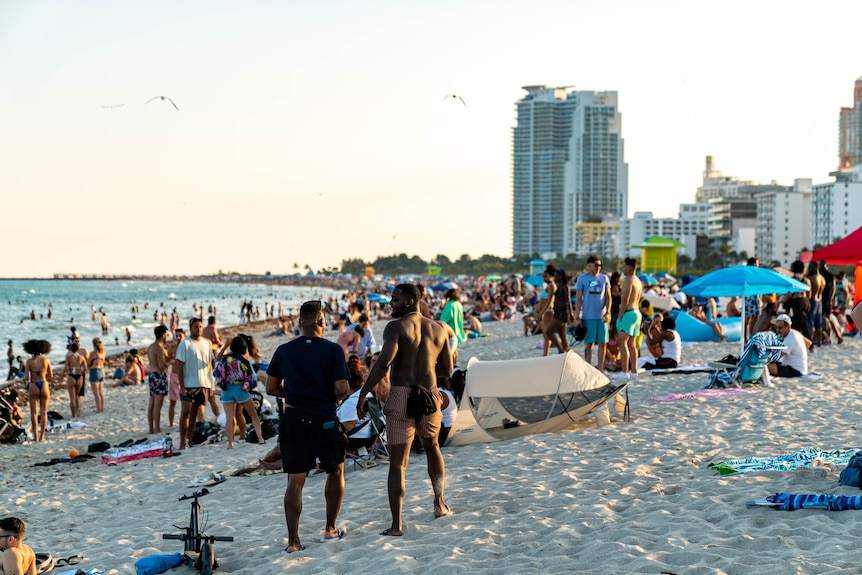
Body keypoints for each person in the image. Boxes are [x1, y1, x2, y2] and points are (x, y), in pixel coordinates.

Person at [356, 283, 452, 537]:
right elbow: (447, 370)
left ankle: (397, 525)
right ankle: (440, 503)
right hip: (429, 394)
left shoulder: (396, 327)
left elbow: (383, 364)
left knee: (398, 464)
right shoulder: (438, 329)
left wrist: (364, 392)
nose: (390, 303)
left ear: (410, 302)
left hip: (401, 394)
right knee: (433, 448)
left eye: (395, 299)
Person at [265, 300, 351, 553]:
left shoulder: (284, 350)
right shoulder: (333, 351)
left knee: (295, 481)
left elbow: (271, 388)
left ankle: (293, 542)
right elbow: (342, 388)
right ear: (322, 322)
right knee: (335, 471)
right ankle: (330, 529)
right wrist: (331, 396)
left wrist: (290, 394)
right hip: (323, 419)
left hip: (294, 419)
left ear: (299, 322)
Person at [214, 336, 264, 449]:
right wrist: (246, 387)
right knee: (253, 415)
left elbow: (217, 372)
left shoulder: (224, 359)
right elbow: (251, 378)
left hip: (227, 390)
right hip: (240, 390)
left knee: (229, 418)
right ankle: (260, 438)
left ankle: (230, 444)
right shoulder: (244, 361)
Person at [175, 317, 215, 450]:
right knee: (185, 411)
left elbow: (209, 365)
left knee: (194, 412)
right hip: (188, 384)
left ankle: (190, 440)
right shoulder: (184, 344)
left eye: (200, 327)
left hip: (202, 383)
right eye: (196, 327)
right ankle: (182, 442)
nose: (198, 329)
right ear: (190, 328)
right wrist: (182, 386)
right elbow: (179, 366)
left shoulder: (207, 343)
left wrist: (210, 385)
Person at [573, 255, 611, 371]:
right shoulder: (582, 278)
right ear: (589, 265)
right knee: (589, 344)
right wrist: (577, 316)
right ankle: (588, 367)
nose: (598, 267)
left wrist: (608, 312)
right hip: (588, 316)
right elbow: (579, 298)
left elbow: (608, 297)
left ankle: (600, 368)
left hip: (602, 316)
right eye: (595, 265)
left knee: (602, 343)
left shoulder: (604, 278)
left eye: (600, 265)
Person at [337, 357, 375, 452]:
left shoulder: (351, 402)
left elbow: (349, 426)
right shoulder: (367, 394)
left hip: (357, 439)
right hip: (369, 435)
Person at [615, 258, 643, 379]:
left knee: (623, 342)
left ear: (630, 268)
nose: (623, 268)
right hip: (637, 313)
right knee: (632, 344)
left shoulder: (628, 280)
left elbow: (625, 299)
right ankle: (634, 371)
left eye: (624, 266)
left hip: (629, 312)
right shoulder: (638, 280)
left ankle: (625, 371)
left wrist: (620, 314)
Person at [23, 340, 52, 442]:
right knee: (44, 412)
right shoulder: (46, 360)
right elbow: (50, 375)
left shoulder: (29, 361)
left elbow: (26, 377)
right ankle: (42, 436)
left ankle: (36, 436)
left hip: (34, 384)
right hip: (44, 384)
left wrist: (26, 381)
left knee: (34, 413)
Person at [146, 325, 171, 434]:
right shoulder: (159, 347)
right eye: (167, 334)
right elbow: (161, 365)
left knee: (152, 403)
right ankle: (157, 428)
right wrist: (170, 363)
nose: (167, 337)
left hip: (152, 375)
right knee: (158, 404)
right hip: (159, 376)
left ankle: (151, 428)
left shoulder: (151, 346)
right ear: (163, 335)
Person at [768, 313, 810, 378]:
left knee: (765, 366)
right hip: (800, 369)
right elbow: (808, 343)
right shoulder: (795, 333)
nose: (777, 330)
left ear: (788, 327)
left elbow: (775, 357)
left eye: (780, 328)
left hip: (795, 371)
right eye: (776, 327)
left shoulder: (790, 339)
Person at [439, 288, 467, 353]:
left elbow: (443, 321)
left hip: (451, 333)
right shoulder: (459, 304)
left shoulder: (449, 305)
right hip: (459, 333)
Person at [166, 329, 185, 428]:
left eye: (180, 336)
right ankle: (171, 423)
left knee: (185, 401)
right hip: (174, 375)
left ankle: (186, 420)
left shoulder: (187, 347)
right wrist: (170, 361)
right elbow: (165, 361)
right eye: (176, 336)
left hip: (184, 375)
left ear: (184, 336)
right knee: (172, 402)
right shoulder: (172, 348)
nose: (178, 338)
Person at [63, 342, 87, 418]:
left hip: (71, 377)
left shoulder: (69, 358)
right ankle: (79, 412)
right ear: (78, 349)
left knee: (72, 397)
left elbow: (66, 369)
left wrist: (64, 372)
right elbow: (85, 369)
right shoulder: (82, 357)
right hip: (79, 376)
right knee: (77, 396)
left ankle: (73, 415)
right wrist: (79, 370)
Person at [88, 337, 106, 413]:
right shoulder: (103, 353)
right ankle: (101, 408)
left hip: (94, 371)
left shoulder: (92, 354)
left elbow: (88, 363)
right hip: (101, 370)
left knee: (96, 393)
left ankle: (98, 410)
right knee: (100, 392)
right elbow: (103, 362)